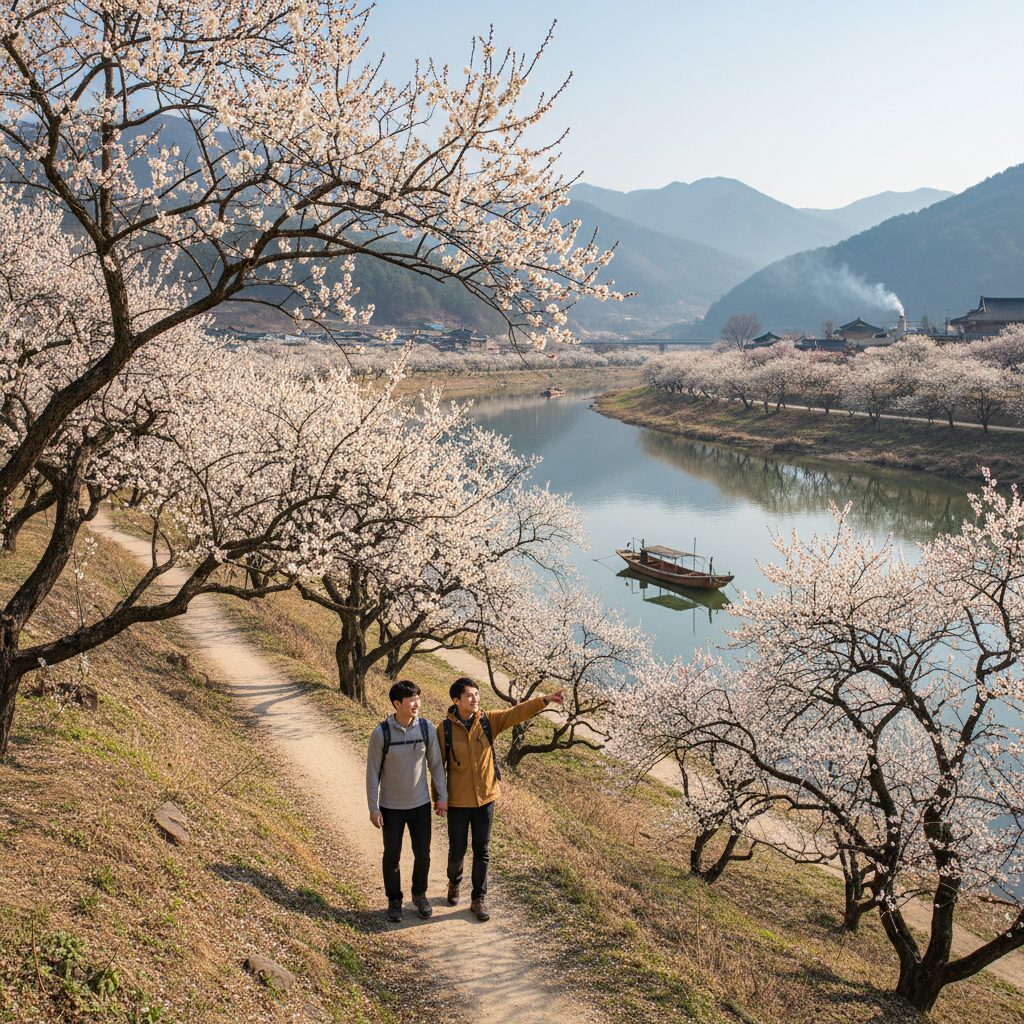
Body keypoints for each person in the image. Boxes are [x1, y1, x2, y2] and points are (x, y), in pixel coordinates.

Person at [434, 676, 563, 922]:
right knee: (457, 851)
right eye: (469, 695)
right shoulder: (445, 729)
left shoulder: (487, 721)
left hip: (486, 799)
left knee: (482, 850)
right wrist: (439, 798)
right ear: (456, 700)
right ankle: (454, 882)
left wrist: (544, 700)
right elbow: (438, 766)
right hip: (458, 802)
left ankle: (478, 899)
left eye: (477, 694)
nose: (475, 699)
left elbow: (516, 713)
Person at [366, 679, 448, 923]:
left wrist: (442, 797)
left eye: (418, 698)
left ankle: (419, 894)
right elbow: (372, 773)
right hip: (391, 808)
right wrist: (373, 807)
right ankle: (394, 900)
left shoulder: (425, 728)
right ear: (397, 703)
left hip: (420, 805)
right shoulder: (381, 733)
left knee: (423, 853)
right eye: (411, 699)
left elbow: (436, 765)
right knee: (392, 855)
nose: (416, 703)